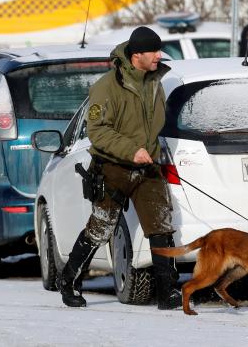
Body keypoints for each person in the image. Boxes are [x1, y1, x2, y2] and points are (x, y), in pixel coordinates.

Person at [57, 26, 182, 310]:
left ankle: (167, 292)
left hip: (148, 166)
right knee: (100, 228)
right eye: (154, 51)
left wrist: (148, 152)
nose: (159, 56)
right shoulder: (106, 87)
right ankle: (70, 281)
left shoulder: (155, 81)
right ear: (137, 55)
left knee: (161, 225)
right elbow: (97, 131)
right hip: (113, 166)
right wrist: (130, 150)